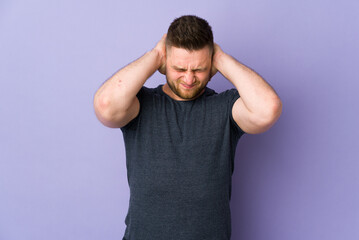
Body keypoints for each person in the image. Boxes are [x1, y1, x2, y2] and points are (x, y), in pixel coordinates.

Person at [93, 15, 282, 240]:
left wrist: (221, 57)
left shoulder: (225, 108)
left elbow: (268, 109)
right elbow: (106, 107)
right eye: (179, 68)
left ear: (211, 64)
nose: (189, 78)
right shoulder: (140, 104)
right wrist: (154, 56)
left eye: (199, 69)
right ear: (164, 64)